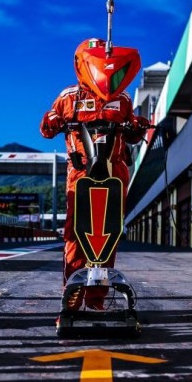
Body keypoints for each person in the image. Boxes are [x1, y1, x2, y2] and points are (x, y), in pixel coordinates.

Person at [40, 38, 149, 308]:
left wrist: (138, 126)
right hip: (80, 173)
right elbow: (46, 129)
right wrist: (52, 120)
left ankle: (97, 296)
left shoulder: (122, 99)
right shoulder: (68, 98)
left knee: (109, 231)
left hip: (114, 171)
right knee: (75, 233)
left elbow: (134, 133)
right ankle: (73, 291)